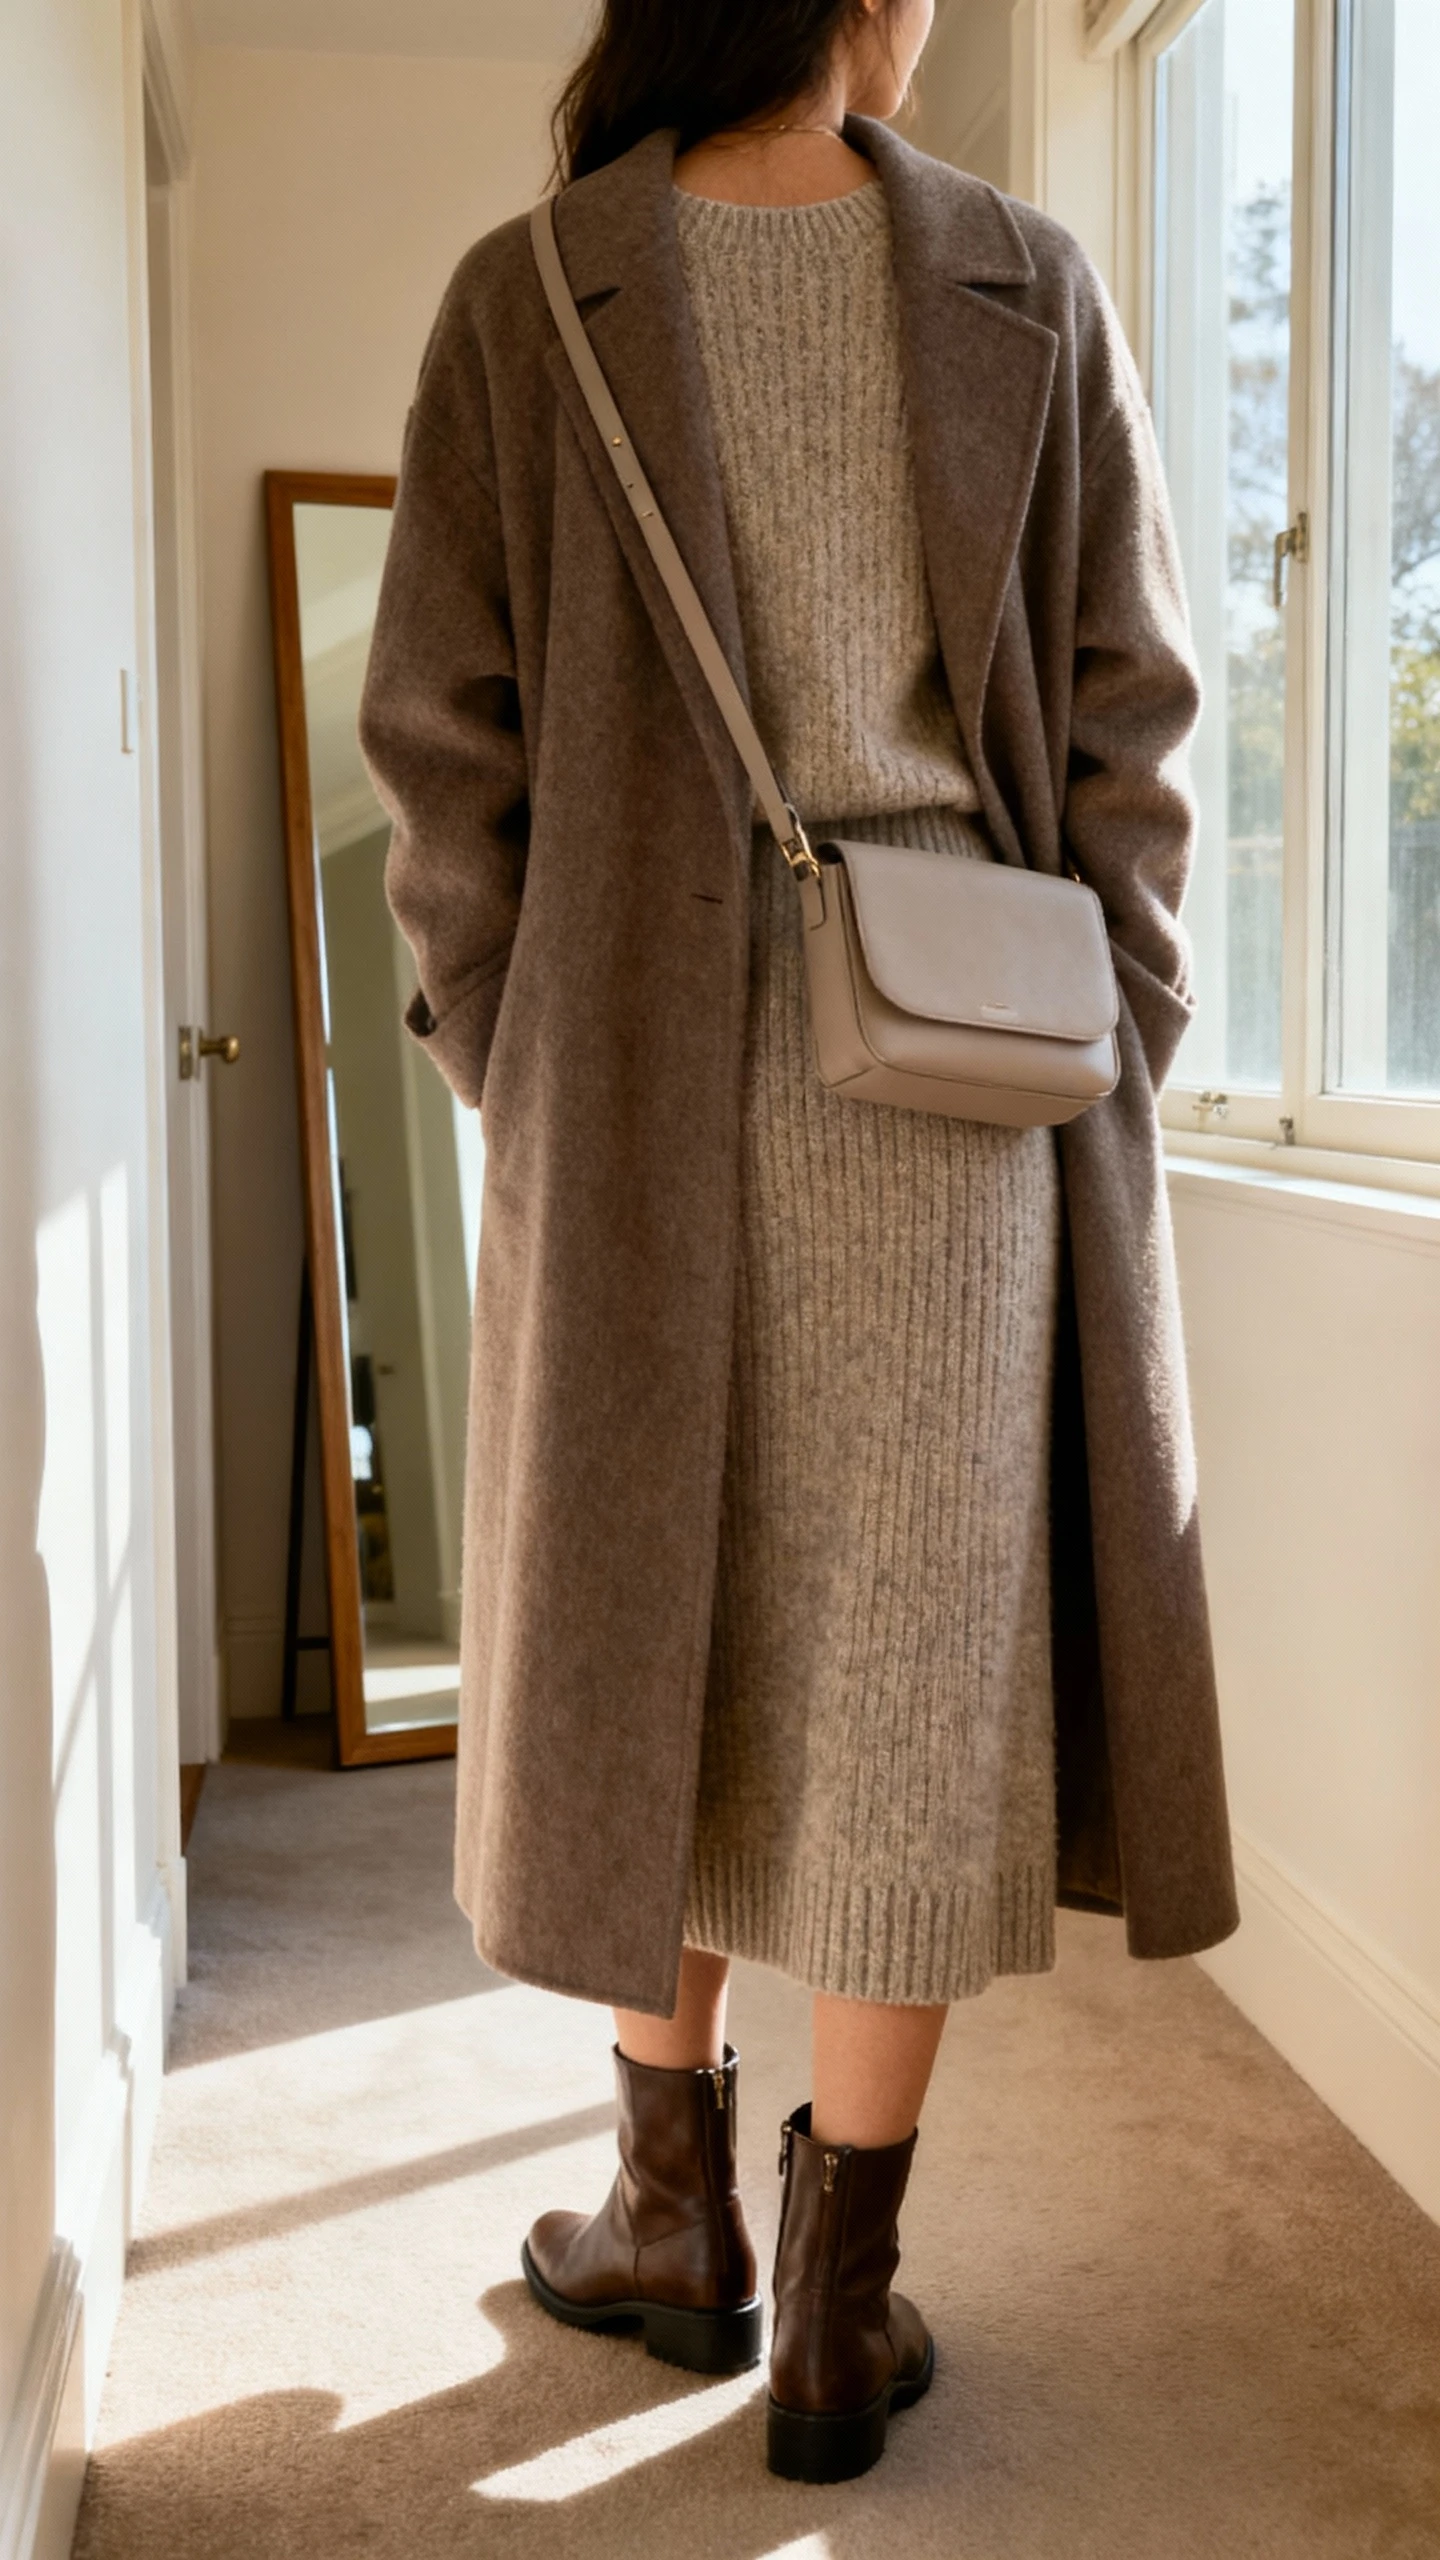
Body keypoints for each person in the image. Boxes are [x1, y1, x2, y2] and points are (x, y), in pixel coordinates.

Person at [359, 0, 1238, 2486]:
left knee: (664, 1625)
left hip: (643, 1089)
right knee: (899, 1681)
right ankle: (835, 2304)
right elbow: (1132, 727)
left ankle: (678, 2220)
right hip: (962, 1101)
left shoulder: (531, 288)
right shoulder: (1025, 284)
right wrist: (1109, 1030)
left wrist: (510, 1046)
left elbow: (442, 736)